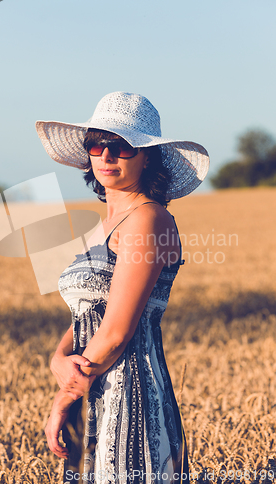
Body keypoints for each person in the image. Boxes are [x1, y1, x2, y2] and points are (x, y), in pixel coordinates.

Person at [36, 92, 209, 484]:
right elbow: (92, 310)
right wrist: (59, 358)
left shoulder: (149, 220)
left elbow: (116, 331)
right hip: (89, 383)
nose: (107, 156)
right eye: (98, 144)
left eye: (123, 147)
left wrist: (64, 397)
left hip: (129, 394)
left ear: (147, 156)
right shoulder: (105, 227)